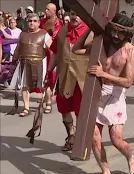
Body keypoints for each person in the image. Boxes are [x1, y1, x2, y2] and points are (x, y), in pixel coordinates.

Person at [72, 13, 134, 174]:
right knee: (94, 136)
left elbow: (128, 82)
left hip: (115, 96)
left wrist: (104, 74)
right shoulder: (102, 43)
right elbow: (76, 49)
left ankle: (130, 157)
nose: (115, 35)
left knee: (116, 139)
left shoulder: (131, 52)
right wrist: (90, 27)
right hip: (97, 92)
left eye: (120, 32)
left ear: (128, 34)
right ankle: (106, 171)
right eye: (113, 31)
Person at [45, 10, 91, 151]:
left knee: (81, 111)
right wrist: (48, 73)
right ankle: (71, 134)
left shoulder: (91, 32)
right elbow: (55, 53)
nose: (75, 16)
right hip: (64, 76)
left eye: (78, 14)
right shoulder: (62, 31)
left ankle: (79, 139)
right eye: (72, 13)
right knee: (64, 108)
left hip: (82, 79)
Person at [11, 13, 52, 117]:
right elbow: (18, 49)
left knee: (44, 85)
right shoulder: (22, 34)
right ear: (27, 22)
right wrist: (13, 63)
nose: (32, 23)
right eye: (30, 21)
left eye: (34, 21)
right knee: (25, 86)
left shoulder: (44, 34)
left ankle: (48, 102)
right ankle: (26, 108)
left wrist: (54, 64)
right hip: (24, 63)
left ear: (38, 23)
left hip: (39, 63)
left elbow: (52, 50)